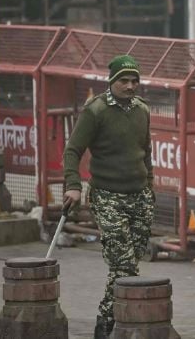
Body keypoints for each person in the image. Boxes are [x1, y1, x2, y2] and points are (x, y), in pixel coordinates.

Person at [62, 54, 154, 339]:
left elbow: (146, 152)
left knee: (128, 265)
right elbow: (72, 150)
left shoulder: (142, 110)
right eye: (124, 80)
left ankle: (112, 323)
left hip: (140, 196)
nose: (130, 86)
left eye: (134, 80)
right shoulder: (96, 110)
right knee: (124, 266)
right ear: (112, 81)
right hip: (107, 195)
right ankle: (105, 326)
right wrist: (73, 185)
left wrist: (150, 185)